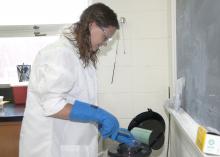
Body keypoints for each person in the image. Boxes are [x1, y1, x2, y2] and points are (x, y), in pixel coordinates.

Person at [19, 3, 135, 157]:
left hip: (70, 143)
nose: (105, 43)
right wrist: (98, 115)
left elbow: (77, 101)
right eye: (105, 37)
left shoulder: (81, 56)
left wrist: (100, 123)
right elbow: (52, 105)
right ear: (92, 25)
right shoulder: (59, 53)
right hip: (50, 147)